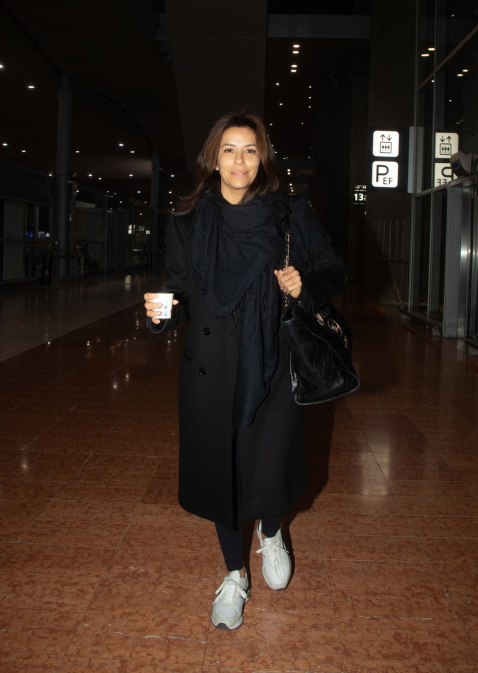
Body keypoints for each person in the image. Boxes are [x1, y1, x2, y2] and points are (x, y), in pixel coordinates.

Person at [144, 111, 346, 630]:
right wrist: (162, 312)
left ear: (263, 157)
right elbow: (183, 295)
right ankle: (235, 574)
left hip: (273, 362)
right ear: (213, 158)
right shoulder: (188, 222)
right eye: (229, 150)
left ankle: (272, 531)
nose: (239, 161)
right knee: (222, 475)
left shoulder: (289, 215)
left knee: (271, 462)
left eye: (250, 150)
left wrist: (304, 286)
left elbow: (333, 269)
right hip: (210, 369)